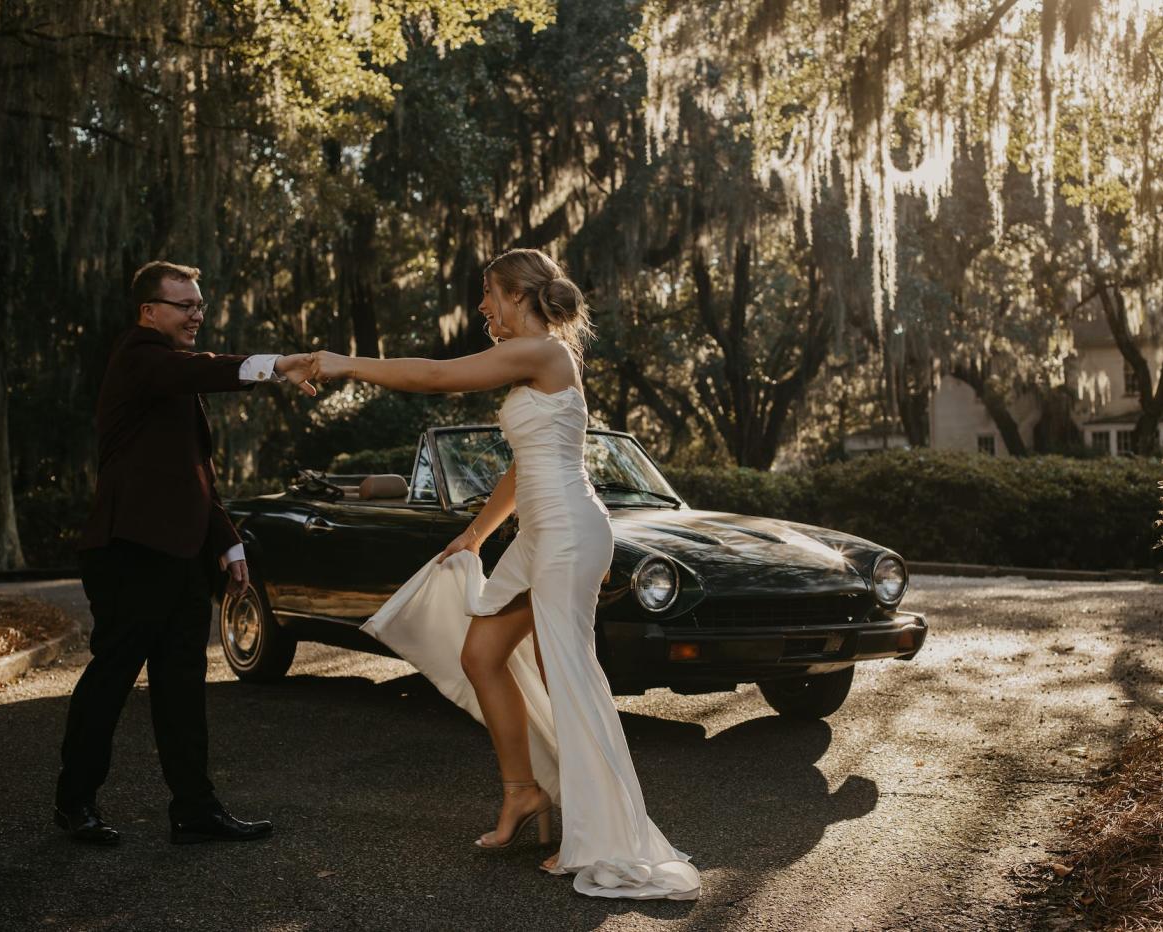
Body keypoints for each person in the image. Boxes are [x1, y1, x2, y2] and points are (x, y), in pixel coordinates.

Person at [311, 248, 700, 900]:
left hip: (570, 535)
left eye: (488, 294)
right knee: (482, 650)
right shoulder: (532, 372)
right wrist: (474, 534)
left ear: (518, 293)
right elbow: (522, 470)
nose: (482, 307)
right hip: (538, 535)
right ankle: (524, 794)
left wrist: (345, 363)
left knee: (567, 675)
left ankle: (595, 833)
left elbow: (437, 375)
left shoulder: (546, 353)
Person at [54, 260, 316, 846]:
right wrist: (275, 365)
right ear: (150, 311)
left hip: (180, 557)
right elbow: (203, 370)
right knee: (111, 679)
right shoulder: (140, 357)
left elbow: (193, 474)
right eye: (186, 305)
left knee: (181, 683)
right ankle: (75, 804)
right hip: (128, 553)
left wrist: (226, 538)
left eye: (201, 304)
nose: (198, 314)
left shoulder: (169, 375)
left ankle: (195, 810)